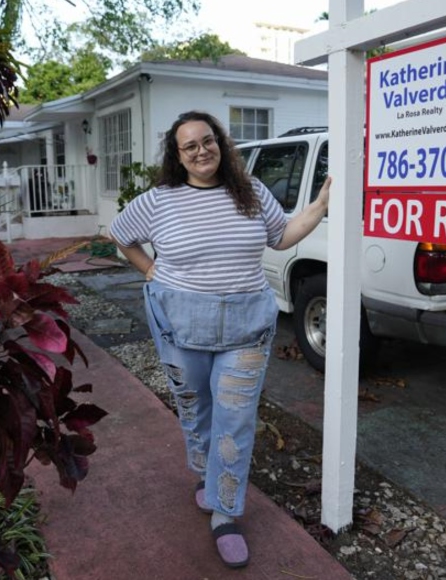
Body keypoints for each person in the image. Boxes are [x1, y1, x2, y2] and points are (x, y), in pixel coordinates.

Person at [109, 111, 331, 569]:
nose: (200, 150)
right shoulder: (159, 200)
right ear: (177, 154)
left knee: (234, 418)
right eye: (189, 145)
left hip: (245, 328)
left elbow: (283, 235)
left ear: (220, 143)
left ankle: (226, 512)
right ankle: (208, 475)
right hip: (179, 322)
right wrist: (150, 270)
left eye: (207, 141)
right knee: (195, 407)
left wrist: (321, 204)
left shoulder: (249, 192)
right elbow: (121, 235)